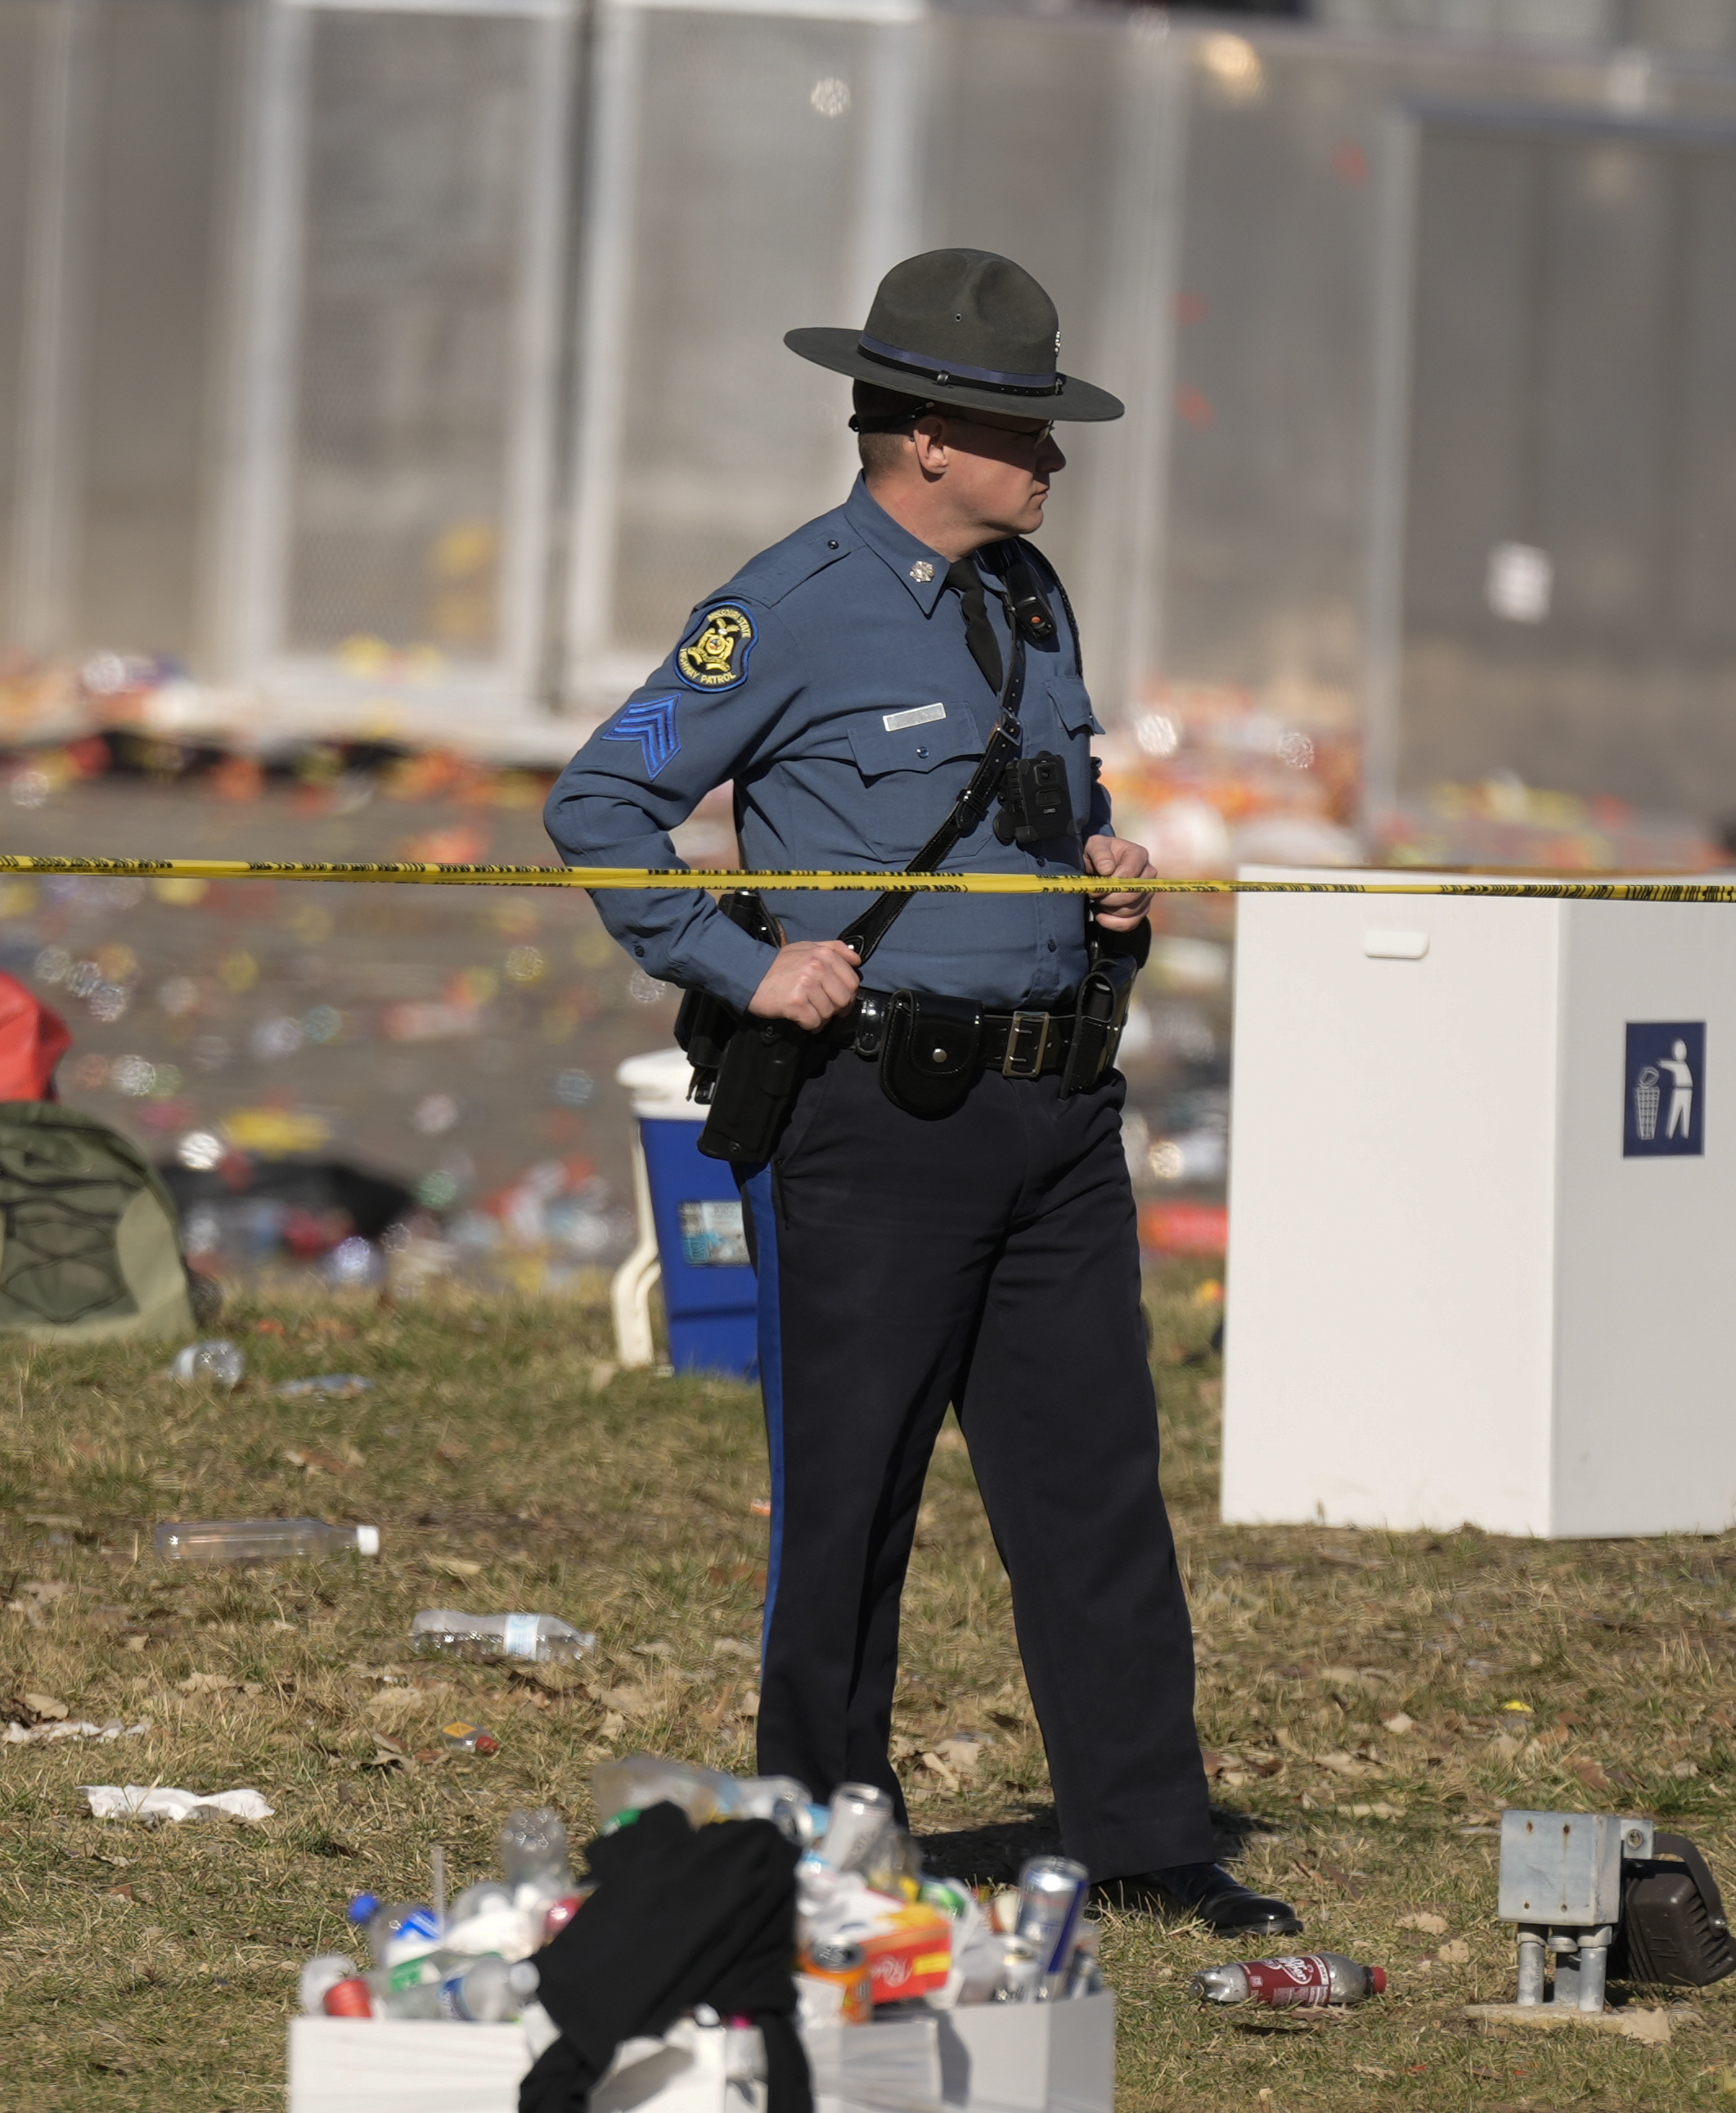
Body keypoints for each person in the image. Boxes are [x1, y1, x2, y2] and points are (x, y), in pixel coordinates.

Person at [546, 248, 1293, 1937]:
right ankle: (820, 1829)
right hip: (876, 1120)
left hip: (1052, 1111)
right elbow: (601, 803)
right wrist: (747, 967)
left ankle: (1149, 1837)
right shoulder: (789, 604)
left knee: (1095, 1482)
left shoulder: (1032, 599)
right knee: (855, 1493)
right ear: (928, 438)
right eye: (1026, 426)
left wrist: (1103, 887)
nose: (1053, 457)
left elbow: (1044, 807)